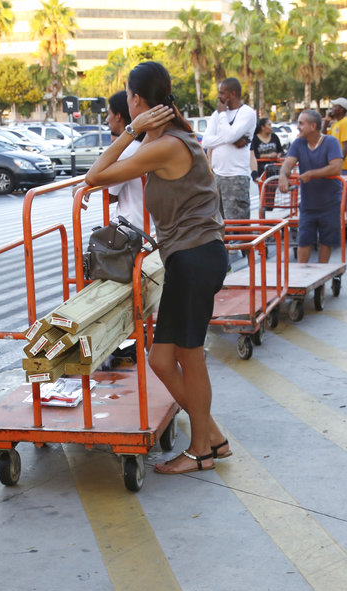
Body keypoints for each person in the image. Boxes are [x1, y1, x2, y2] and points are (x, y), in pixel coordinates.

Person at [85, 61, 231, 475]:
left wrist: (131, 130)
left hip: (194, 258)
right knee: (161, 360)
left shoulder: (167, 145)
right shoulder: (169, 139)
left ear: (135, 99)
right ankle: (212, 435)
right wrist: (139, 129)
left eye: (128, 98)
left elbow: (96, 175)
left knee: (189, 357)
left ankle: (201, 449)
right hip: (190, 257)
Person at [278, 108, 343, 264]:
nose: (298, 126)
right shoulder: (299, 143)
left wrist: (311, 174)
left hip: (329, 202)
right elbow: (288, 163)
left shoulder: (330, 142)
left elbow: (336, 167)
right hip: (308, 203)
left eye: (301, 123)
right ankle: (301, 278)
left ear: (313, 126)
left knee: (326, 240)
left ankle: (321, 277)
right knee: (304, 239)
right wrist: (282, 176)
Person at [201, 77, 257, 222]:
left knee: (237, 227)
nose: (219, 96)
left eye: (222, 93)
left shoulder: (247, 113)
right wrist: (228, 139)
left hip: (236, 177)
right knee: (219, 226)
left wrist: (227, 132)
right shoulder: (217, 114)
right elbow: (206, 141)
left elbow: (230, 135)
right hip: (217, 176)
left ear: (232, 94)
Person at [102, 89, 148, 228]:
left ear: (118, 116)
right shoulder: (145, 144)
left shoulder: (125, 151)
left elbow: (109, 195)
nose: (106, 119)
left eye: (108, 113)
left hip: (130, 228)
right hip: (146, 225)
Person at [325, 97, 347, 175]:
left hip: (343, 167)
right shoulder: (335, 123)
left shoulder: (345, 122)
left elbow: (346, 145)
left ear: (341, 109)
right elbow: (323, 137)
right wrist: (326, 122)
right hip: (334, 165)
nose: (332, 109)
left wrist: (339, 163)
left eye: (335, 106)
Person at [250, 117, 283, 182]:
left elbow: (280, 150)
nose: (271, 127)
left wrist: (278, 155)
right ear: (263, 127)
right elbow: (254, 155)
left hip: (274, 168)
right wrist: (268, 156)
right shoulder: (255, 139)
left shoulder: (274, 137)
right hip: (261, 169)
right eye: (269, 125)